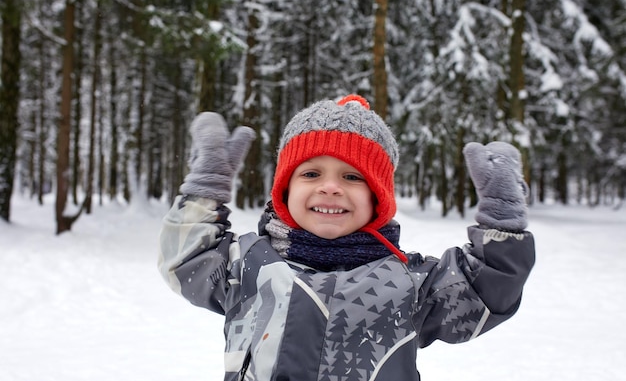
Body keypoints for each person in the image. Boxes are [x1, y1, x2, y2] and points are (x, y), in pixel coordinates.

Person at [158, 94, 535, 381]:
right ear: (285, 189)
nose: (330, 188)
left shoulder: (410, 282)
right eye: (310, 174)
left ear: (378, 198)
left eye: (352, 177)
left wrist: (502, 219)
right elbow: (187, 260)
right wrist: (204, 190)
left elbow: (483, 291)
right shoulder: (248, 265)